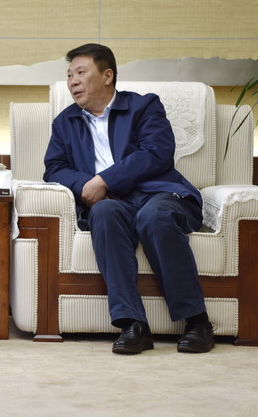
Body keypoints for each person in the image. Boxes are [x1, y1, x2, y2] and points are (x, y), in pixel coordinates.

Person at [44, 43, 214, 355]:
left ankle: (197, 321)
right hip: (112, 203)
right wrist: (86, 186)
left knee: (156, 217)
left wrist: (105, 180)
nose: (73, 81)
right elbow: (54, 168)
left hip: (159, 193)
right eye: (69, 75)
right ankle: (132, 325)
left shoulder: (144, 106)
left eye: (81, 72)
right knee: (103, 213)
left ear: (107, 75)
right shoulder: (64, 122)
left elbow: (157, 152)